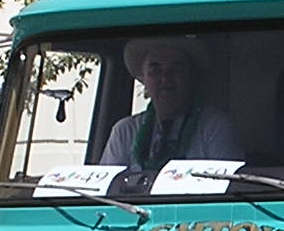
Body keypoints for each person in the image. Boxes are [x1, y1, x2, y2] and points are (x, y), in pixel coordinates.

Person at [101, 38, 240, 168]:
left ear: (191, 77)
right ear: (143, 80)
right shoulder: (124, 132)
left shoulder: (216, 128)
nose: (165, 78)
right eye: (155, 71)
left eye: (176, 70)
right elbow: (109, 188)